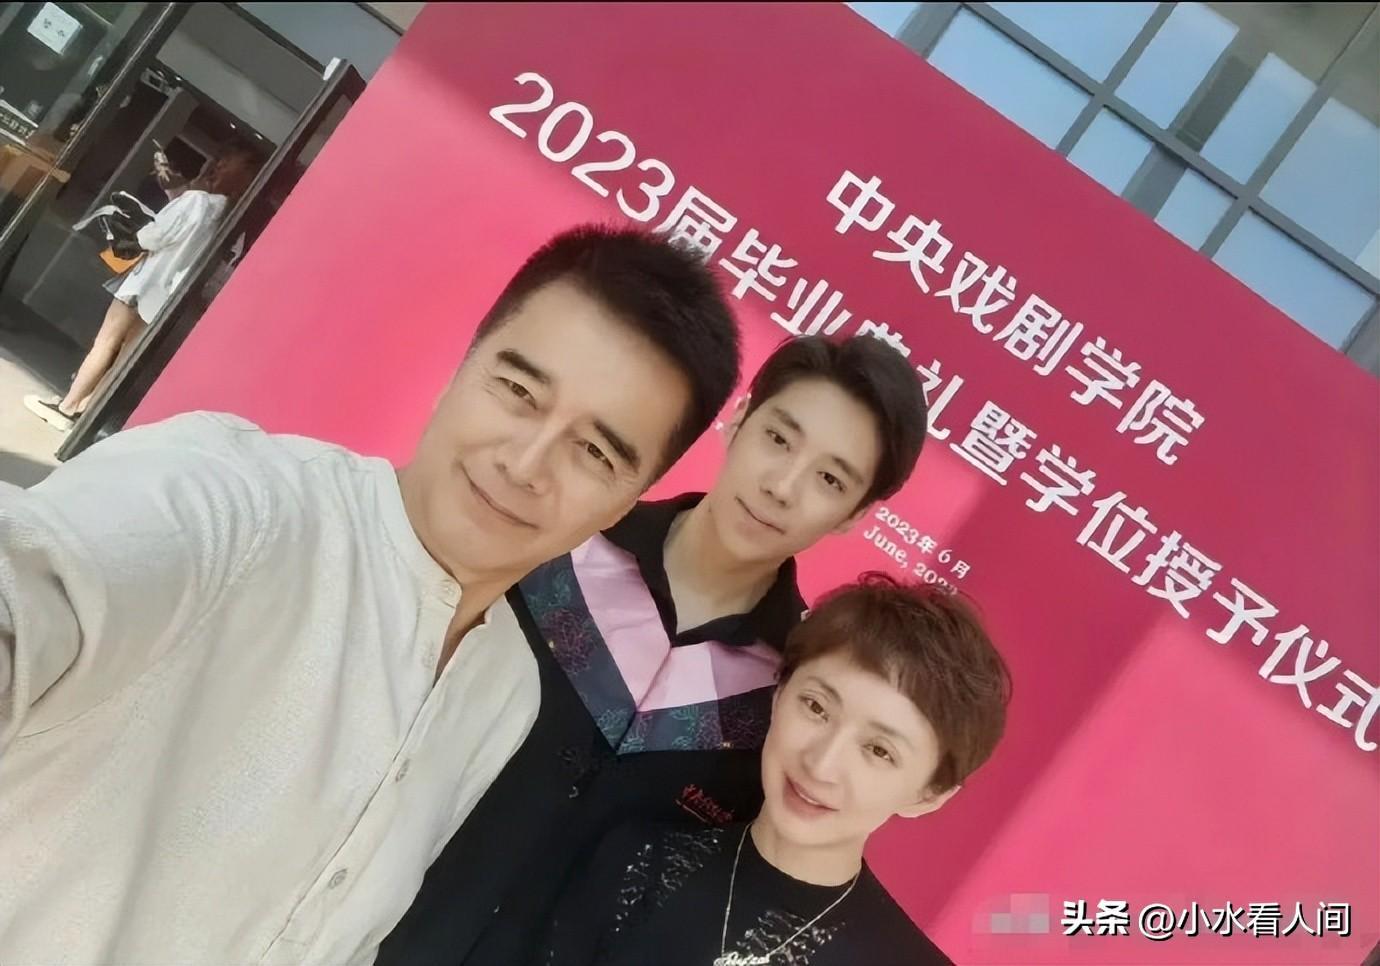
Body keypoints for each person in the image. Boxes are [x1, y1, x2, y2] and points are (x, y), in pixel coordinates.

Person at [0, 224, 741, 964]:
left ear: (625, 506)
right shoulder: (244, 501)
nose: (525, 464)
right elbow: (35, 585)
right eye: (518, 391)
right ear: (460, 368)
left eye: (595, 452)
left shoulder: (508, 691)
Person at [380, 335, 930, 966]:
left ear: (855, 515)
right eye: (778, 438)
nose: (782, 486)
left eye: (829, 479)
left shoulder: (788, 701)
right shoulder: (557, 547)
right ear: (739, 419)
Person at [538, 573, 1011, 966]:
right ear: (779, 692)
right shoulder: (637, 857)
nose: (821, 764)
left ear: (928, 795)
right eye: (816, 707)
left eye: (878, 750)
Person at [23, 144, 259, 432]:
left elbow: (155, 236)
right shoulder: (227, 218)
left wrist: (136, 231)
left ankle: (67, 406)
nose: (216, 165)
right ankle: (85, 413)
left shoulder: (197, 200)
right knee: (124, 357)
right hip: (167, 295)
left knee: (105, 342)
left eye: (223, 162)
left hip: (144, 282)